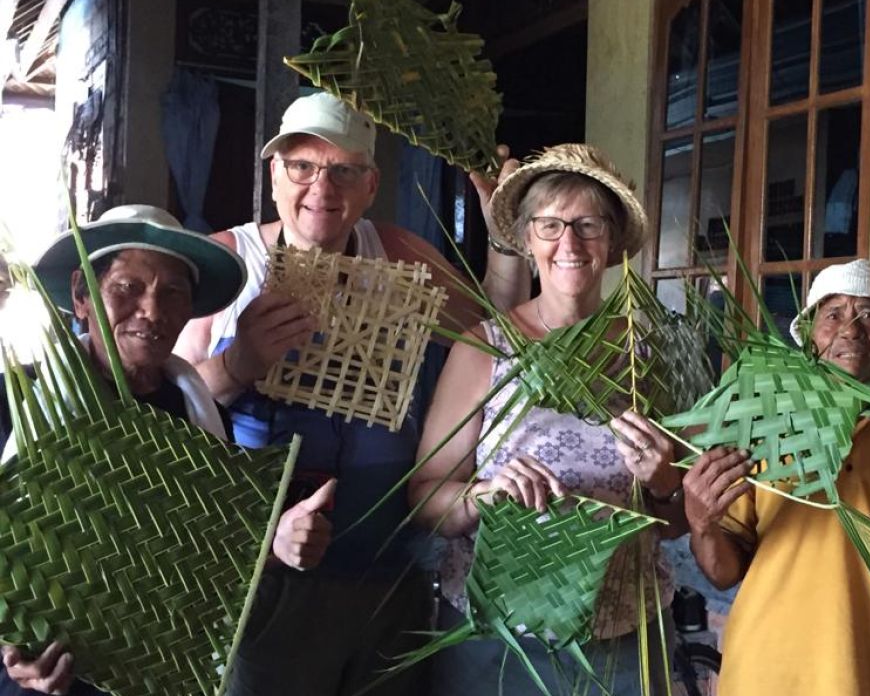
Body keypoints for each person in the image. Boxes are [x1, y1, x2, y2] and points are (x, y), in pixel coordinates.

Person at [173, 92, 529, 696]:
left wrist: (503, 232)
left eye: (344, 170)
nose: (322, 187)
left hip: (391, 566)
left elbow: (494, 329)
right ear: (274, 175)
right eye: (303, 166)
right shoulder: (228, 264)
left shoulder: (396, 252)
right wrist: (238, 365)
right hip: (267, 575)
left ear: (370, 185)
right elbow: (168, 410)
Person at [410, 143, 685, 694]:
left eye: (588, 224)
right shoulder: (486, 348)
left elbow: (678, 521)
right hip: (499, 632)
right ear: (528, 239)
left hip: (624, 633)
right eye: (550, 225)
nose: (570, 243)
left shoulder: (651, 358)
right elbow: (423, 499)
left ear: (610, 243)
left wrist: (661, 482)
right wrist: (482, 495)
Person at [684, 258, 870, 696]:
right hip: (764, 677)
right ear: (811, 338)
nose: (850, 330)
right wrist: (702, 523)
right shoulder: (761, 426)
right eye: (833, 314)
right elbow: (724, 573)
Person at [0, 204, 247, 695]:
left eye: (173, 293)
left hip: (157, 676)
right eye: (127, 289)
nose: (152, 312)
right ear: (81, 295)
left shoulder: (198, 416)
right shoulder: (16, 405)